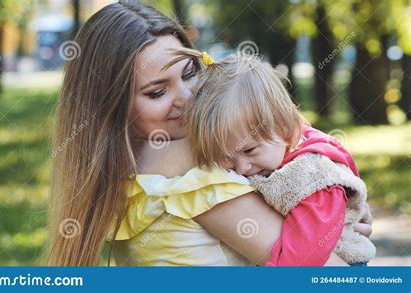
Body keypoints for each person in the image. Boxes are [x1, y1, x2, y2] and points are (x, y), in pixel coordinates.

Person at [47, 1, 372, 266]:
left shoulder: (117, 170)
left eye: (190, 73)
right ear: (111, 107)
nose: (188, 100)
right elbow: (326, 274)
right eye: (157, 92)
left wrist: (328, 211)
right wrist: (334, 217)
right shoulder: (191, 163)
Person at [165, 49, 375, 266]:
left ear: (288, 130)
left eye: (249, 151)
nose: (242, 167)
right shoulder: (277, 146)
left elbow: (307, 256)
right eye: (224, 157)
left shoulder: (313, 176)